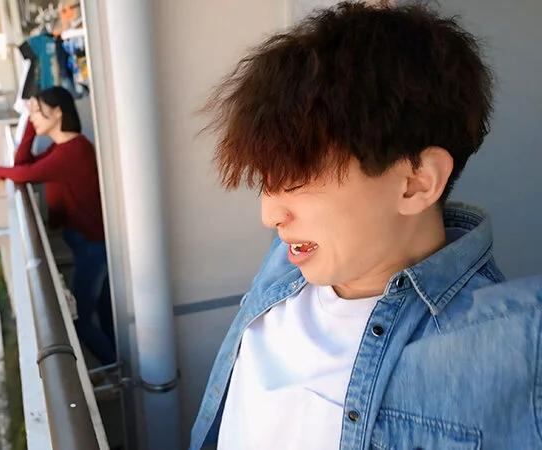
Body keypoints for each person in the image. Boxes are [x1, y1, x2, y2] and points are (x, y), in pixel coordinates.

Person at [191, 3, 542, 449]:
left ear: (416, 182)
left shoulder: (509, 349)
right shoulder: (286, 264)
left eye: (298, 181)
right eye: (266, 181)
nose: (270, 215)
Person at [0, 86, 116, 365]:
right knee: (104, 311)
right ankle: (119, 366)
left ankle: (115, 371)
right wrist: (30, 126)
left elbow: (25, 173)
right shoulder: (62, 148)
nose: (32, 117)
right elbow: (22, 162)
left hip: (93, 247)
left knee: (81, 319)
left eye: (37, 112)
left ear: (57, 112)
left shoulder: (72, 153)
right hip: (88, 243)